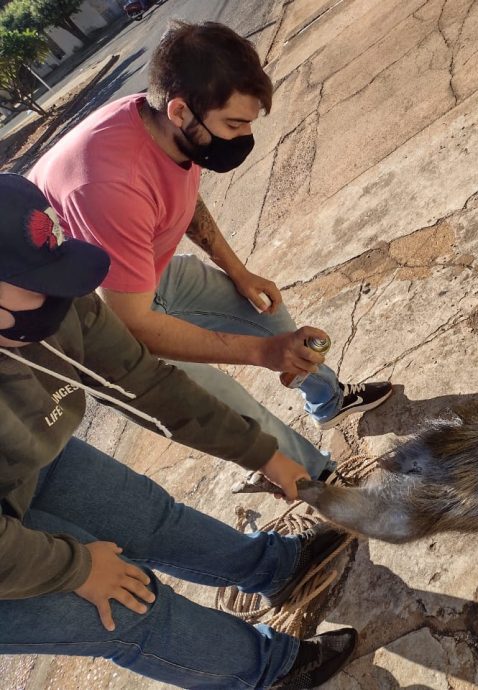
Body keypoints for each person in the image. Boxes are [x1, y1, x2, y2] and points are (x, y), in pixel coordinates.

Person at [0, 173, 356, 688]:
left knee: (146, 515)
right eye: (41, 289)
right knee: (130, 606)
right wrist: (75, 569)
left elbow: (144, 381)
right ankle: (264, 672)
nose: (63, 303)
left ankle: (273, 568)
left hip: (23, 459)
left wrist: (262, 453)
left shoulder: (51, 295)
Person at [28, 20, 393, 482]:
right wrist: (264, 354)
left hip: (144, 272)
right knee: (223, 401)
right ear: (180, 110)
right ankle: (318, 483)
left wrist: (239, 272)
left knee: (270, 316)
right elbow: (135, 322)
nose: (243, 138)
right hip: (98, 321)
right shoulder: (107, 184)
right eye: (234, 124)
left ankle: (329, 400)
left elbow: (180, 197)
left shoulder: (160, 124)